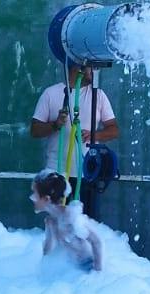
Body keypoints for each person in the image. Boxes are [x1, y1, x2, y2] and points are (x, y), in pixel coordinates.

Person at [30, 63, 119, 220]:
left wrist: (95, 135)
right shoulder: (51, 94)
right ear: (77, 68)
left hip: (87, 173)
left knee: (85, 225)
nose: (94, 72)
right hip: (56, 175)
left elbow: (114, 130)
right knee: (57, 226)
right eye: (91, 68)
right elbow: (35, 130)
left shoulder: (98, 95)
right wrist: (55, 125)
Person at [31, 169, 103, 272]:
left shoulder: (71, 217)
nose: (32, 198)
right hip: (71, 269)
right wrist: (42, 270)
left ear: (46, 199)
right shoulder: (50, 221)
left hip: (88, 266)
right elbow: (47, 249)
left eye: (35, 194)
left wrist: (98, 273)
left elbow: (97, 241)